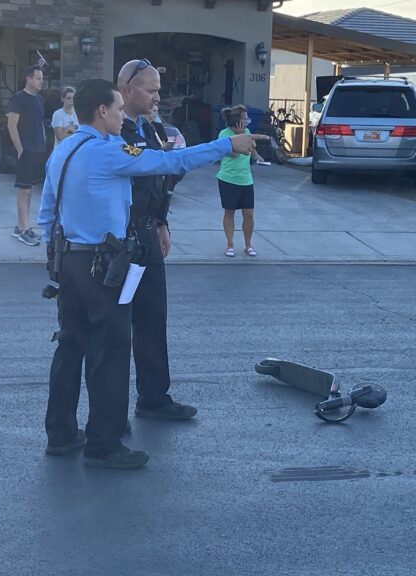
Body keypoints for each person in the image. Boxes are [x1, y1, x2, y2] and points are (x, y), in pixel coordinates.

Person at [37, 78, 265, 469]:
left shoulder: (63, 149)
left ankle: (60, 433)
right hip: (101, 265)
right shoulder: (106, 153)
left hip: (68, 262)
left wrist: (57, 254)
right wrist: (226, 144)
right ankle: (104, 445)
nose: (123, 113)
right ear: (103, 112)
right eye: (118, 108)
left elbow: (46, 212)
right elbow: (169, 161)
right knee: (110, 350)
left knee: (70, 346)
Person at [117, 59, 197, 423]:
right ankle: (110, 410)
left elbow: (162, 179)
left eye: (158, 90)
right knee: (116, 327)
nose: (157, 98)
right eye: (150, 91)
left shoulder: (150, 130)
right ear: (127, 89)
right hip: (120, 239)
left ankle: (153, 396)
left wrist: (162, 222)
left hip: (149, 234)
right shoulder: (114, 133)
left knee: (152, 319)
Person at [216, 105, 264, 257]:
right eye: (244, 118)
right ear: (237, 121)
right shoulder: (224, 134)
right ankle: (230, 244)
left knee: (249, 214)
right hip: (228, 179)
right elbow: (234, 154)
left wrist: (257, 156)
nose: (247, 120)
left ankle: (248, 245)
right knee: (229, 212)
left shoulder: (247, 132)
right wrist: (238, 135)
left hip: (246, 179)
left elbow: (251, 147)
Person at [7, 65, 46, 246]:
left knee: (30, 191)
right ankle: (24, 230)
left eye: (41, 78)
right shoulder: (18, 98)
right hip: (26, 150)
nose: (41, 81)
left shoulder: (39, 99)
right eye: (38, 78)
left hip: (38, 149)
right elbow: (11, 125)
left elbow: (40, 124)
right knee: (24, 190)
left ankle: (19, 226)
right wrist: (20, 149)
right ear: (29, 79)